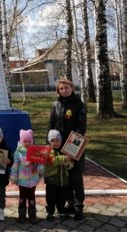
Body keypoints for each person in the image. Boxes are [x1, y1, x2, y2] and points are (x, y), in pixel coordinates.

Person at [49, 79, 87, 220]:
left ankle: (78, 207)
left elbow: (81, 129)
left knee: (76, 177)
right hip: (58, 148)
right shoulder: (55, 105)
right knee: (64, 178)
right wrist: (50, 143)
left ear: (71, 88)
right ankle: (69, 204)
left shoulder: (79, 105)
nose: (64, 90)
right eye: (61, 88)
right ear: (58, 91)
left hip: (74, 148)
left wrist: (71, 150)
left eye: (66, 87)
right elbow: (51, 125)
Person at [10, 129, 44, 224]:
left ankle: (32, 216)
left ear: (31, 141)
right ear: (21, 141)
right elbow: (15, 166)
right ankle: (21, 216)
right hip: (22, 181)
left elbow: (40, 164)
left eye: (29, 141)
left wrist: (39, 168)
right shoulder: (18, 153)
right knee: (22, 197)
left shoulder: (35, 151)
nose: (27, 143)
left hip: (33, 181)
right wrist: (13, 177)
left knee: (32, 197)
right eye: (25, 141)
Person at [44, 130, 74, 221]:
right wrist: (65, 159)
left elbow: (70, 165)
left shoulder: (65, 151)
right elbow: (52, 161)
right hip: (51, 180)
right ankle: (50, 213)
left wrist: (68, 163)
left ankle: (61, 211)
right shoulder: (48, 151)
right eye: (53, 140)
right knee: (51, 198)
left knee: (62, 198)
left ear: (61, 141)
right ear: (49, 142)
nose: (56, 142)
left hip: (63, 181)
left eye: (57, 140)